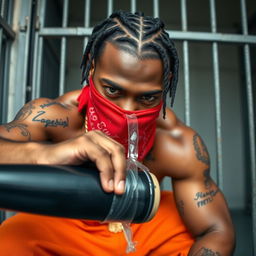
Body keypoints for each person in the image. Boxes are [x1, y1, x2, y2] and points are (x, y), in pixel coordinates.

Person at [0, 10, 235, 256]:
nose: (128, 111)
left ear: (167, 82)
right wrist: (49, 154)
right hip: (68, 220)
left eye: (147, 97)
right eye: (113, 90)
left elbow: (216, 230)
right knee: (10, 238)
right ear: (91, 67)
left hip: (143, 224)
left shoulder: (177, 142)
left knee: (183, 231)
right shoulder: (55, 116)